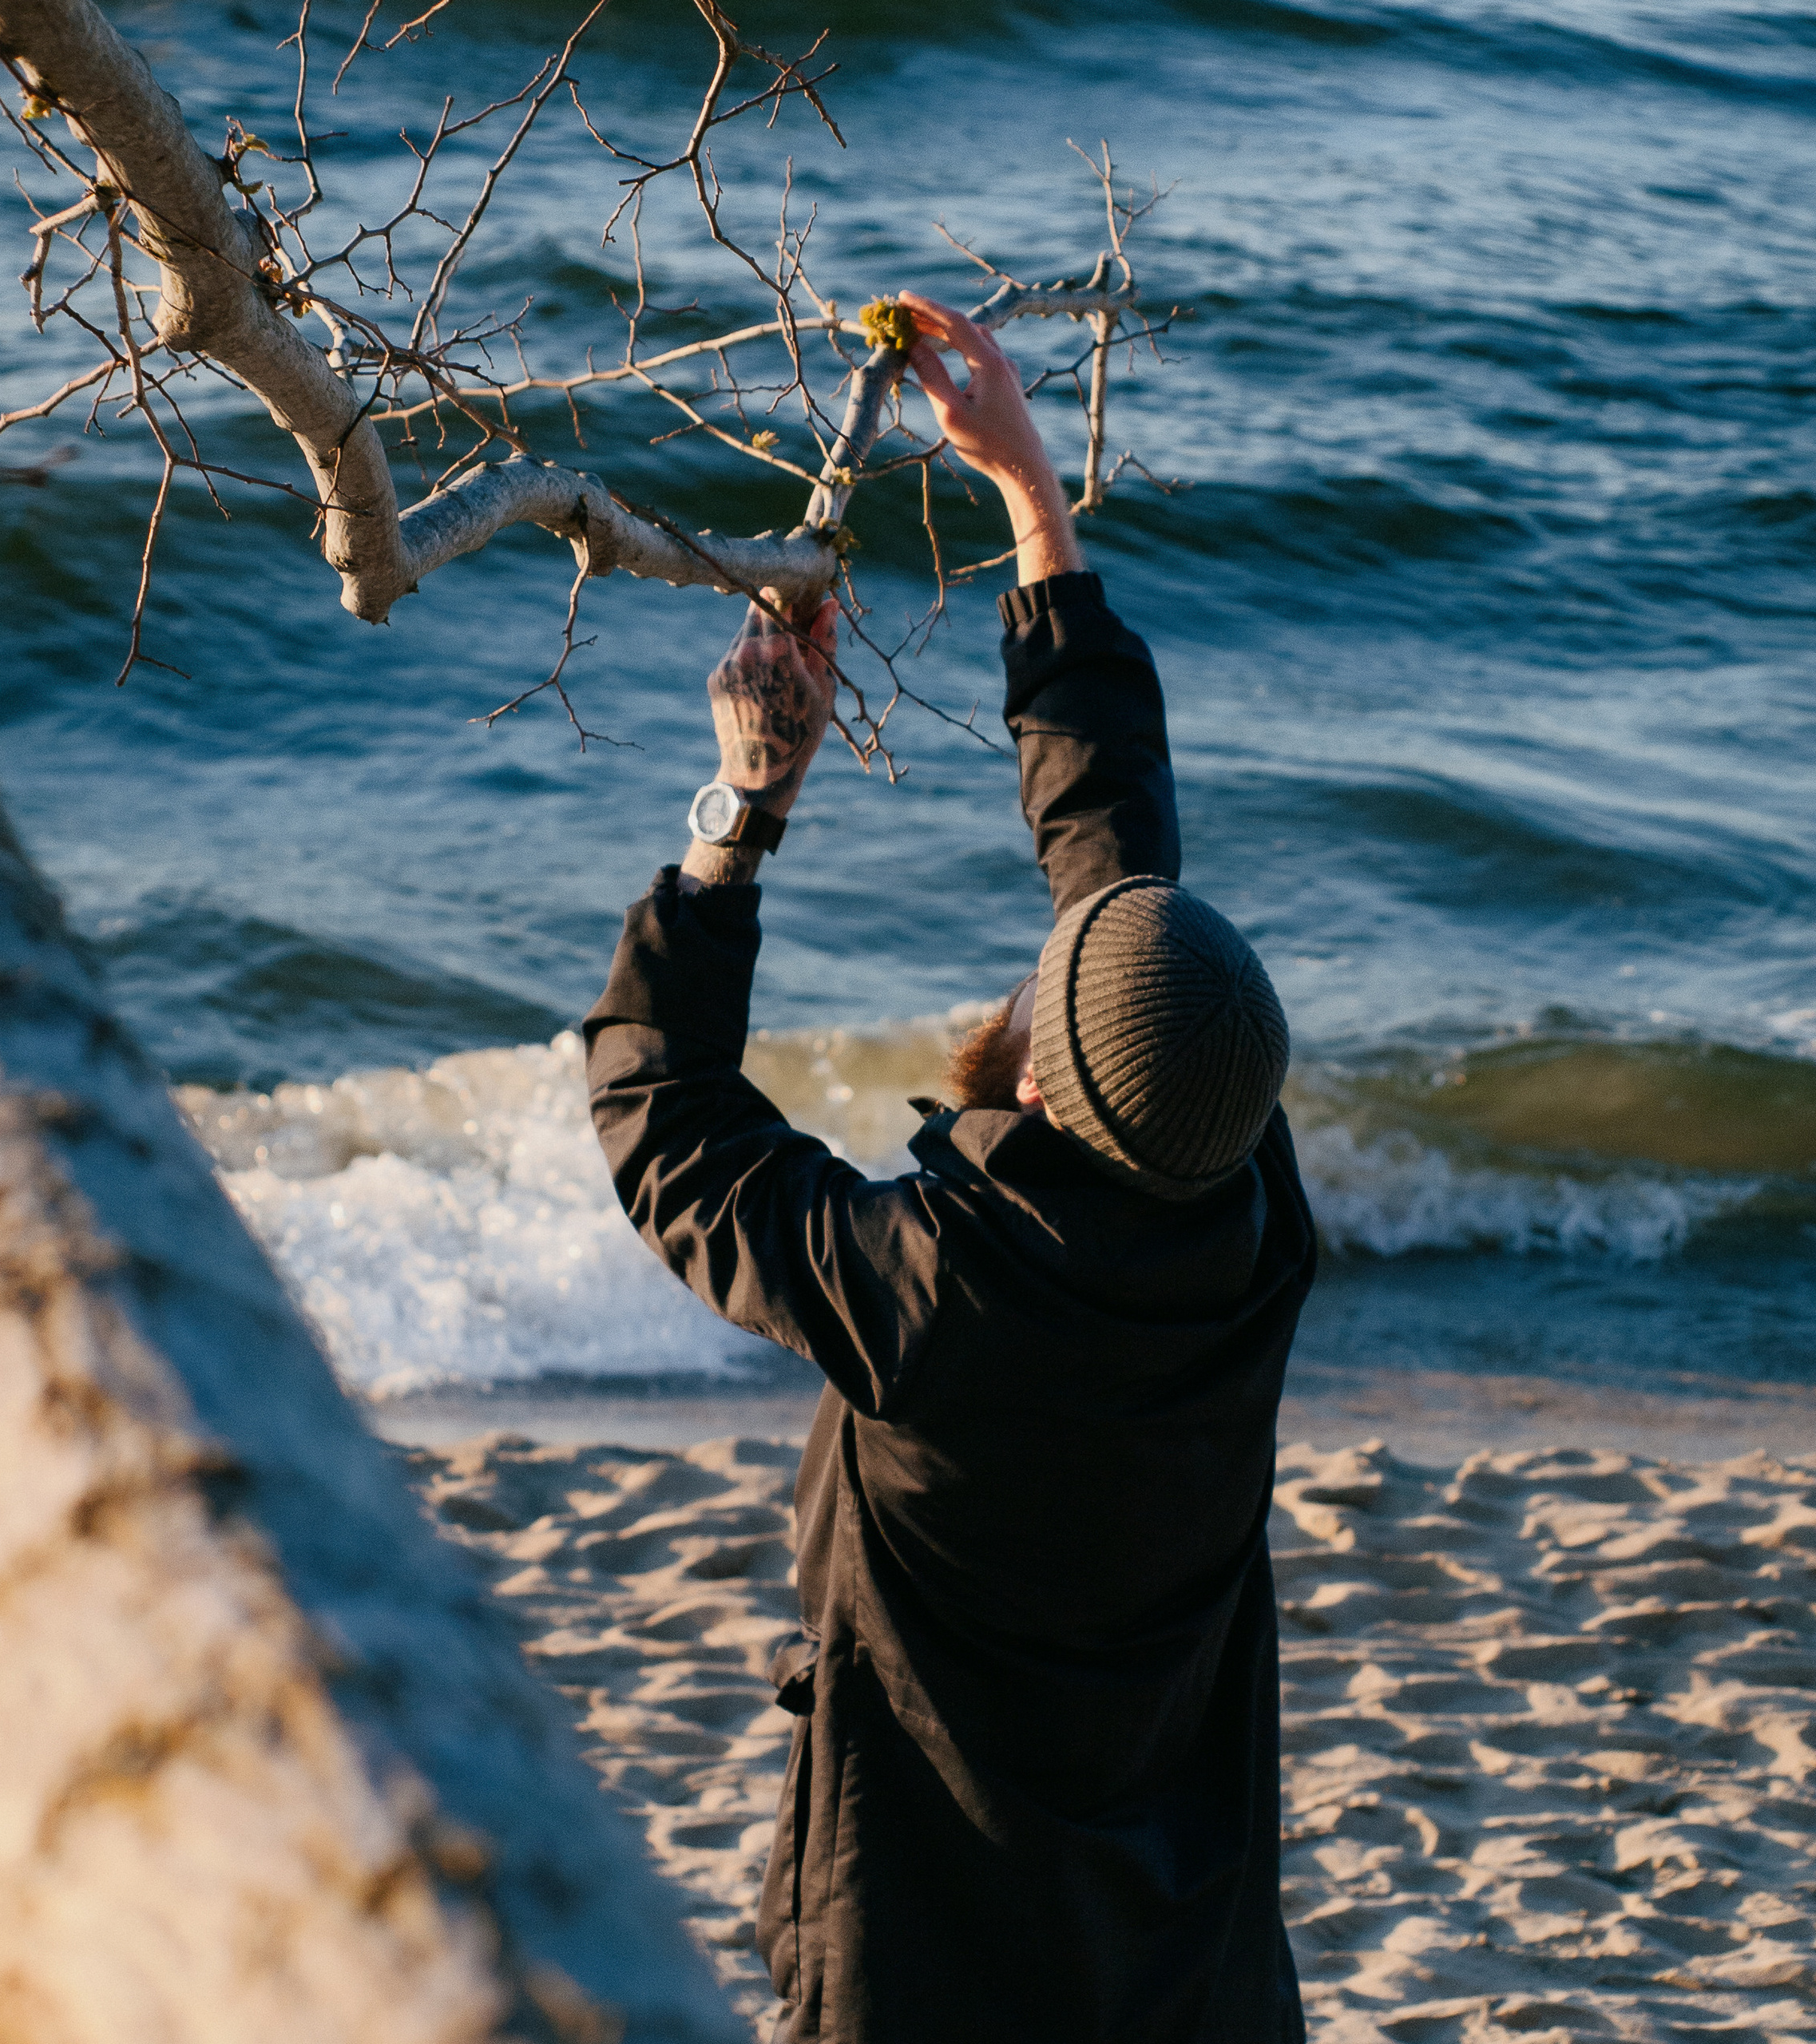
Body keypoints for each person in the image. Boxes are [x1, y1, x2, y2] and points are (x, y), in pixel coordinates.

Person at [583, 291, 1317, 2044]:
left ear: (1048, 1066)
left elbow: (662, 1123)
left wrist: (739, 805)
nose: (1045, 948)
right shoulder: (1245, 1215)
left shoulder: (932, 1294)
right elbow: (1112, 852)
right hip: (1181, 1955)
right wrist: (1030, 506)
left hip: (924, 1949)